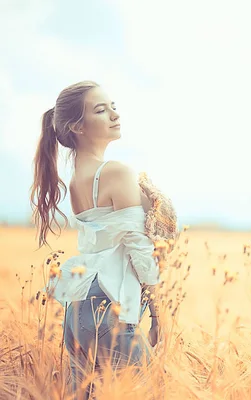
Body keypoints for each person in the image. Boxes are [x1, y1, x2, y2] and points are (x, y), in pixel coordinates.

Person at [30, 80, 163, 398]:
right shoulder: (115, 172)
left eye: (113, 106)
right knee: (147, 391)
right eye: (101, 110)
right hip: (111, 304)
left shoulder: (78, 177)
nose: (115, 115)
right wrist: (161, 315)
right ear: (77, 126)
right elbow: (139, 250)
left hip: (79, 305)